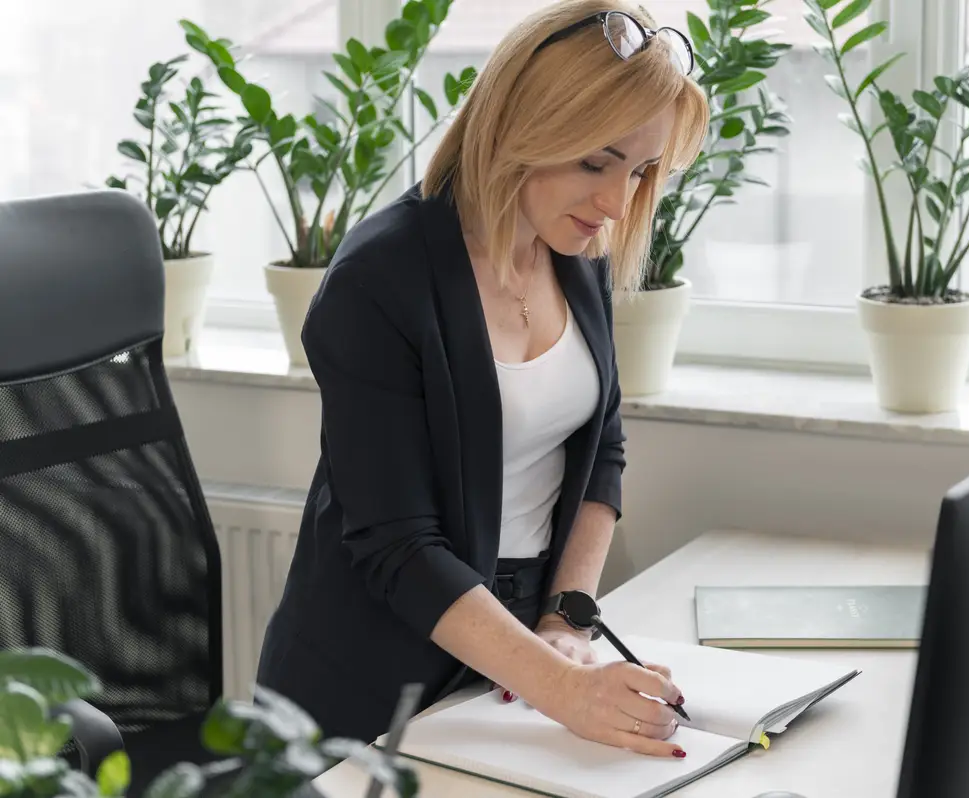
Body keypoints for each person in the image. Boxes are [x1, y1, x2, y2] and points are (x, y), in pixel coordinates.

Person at [255, 0, 709, 759]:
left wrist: (567, 621)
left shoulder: (578, 254)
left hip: (518, 663)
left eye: (641, 170)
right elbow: (400, 545)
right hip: (371, 690)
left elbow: (603, 454)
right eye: (597, 161)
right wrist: (560, 688)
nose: (618, 203)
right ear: (521, 125)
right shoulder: (379, 281)